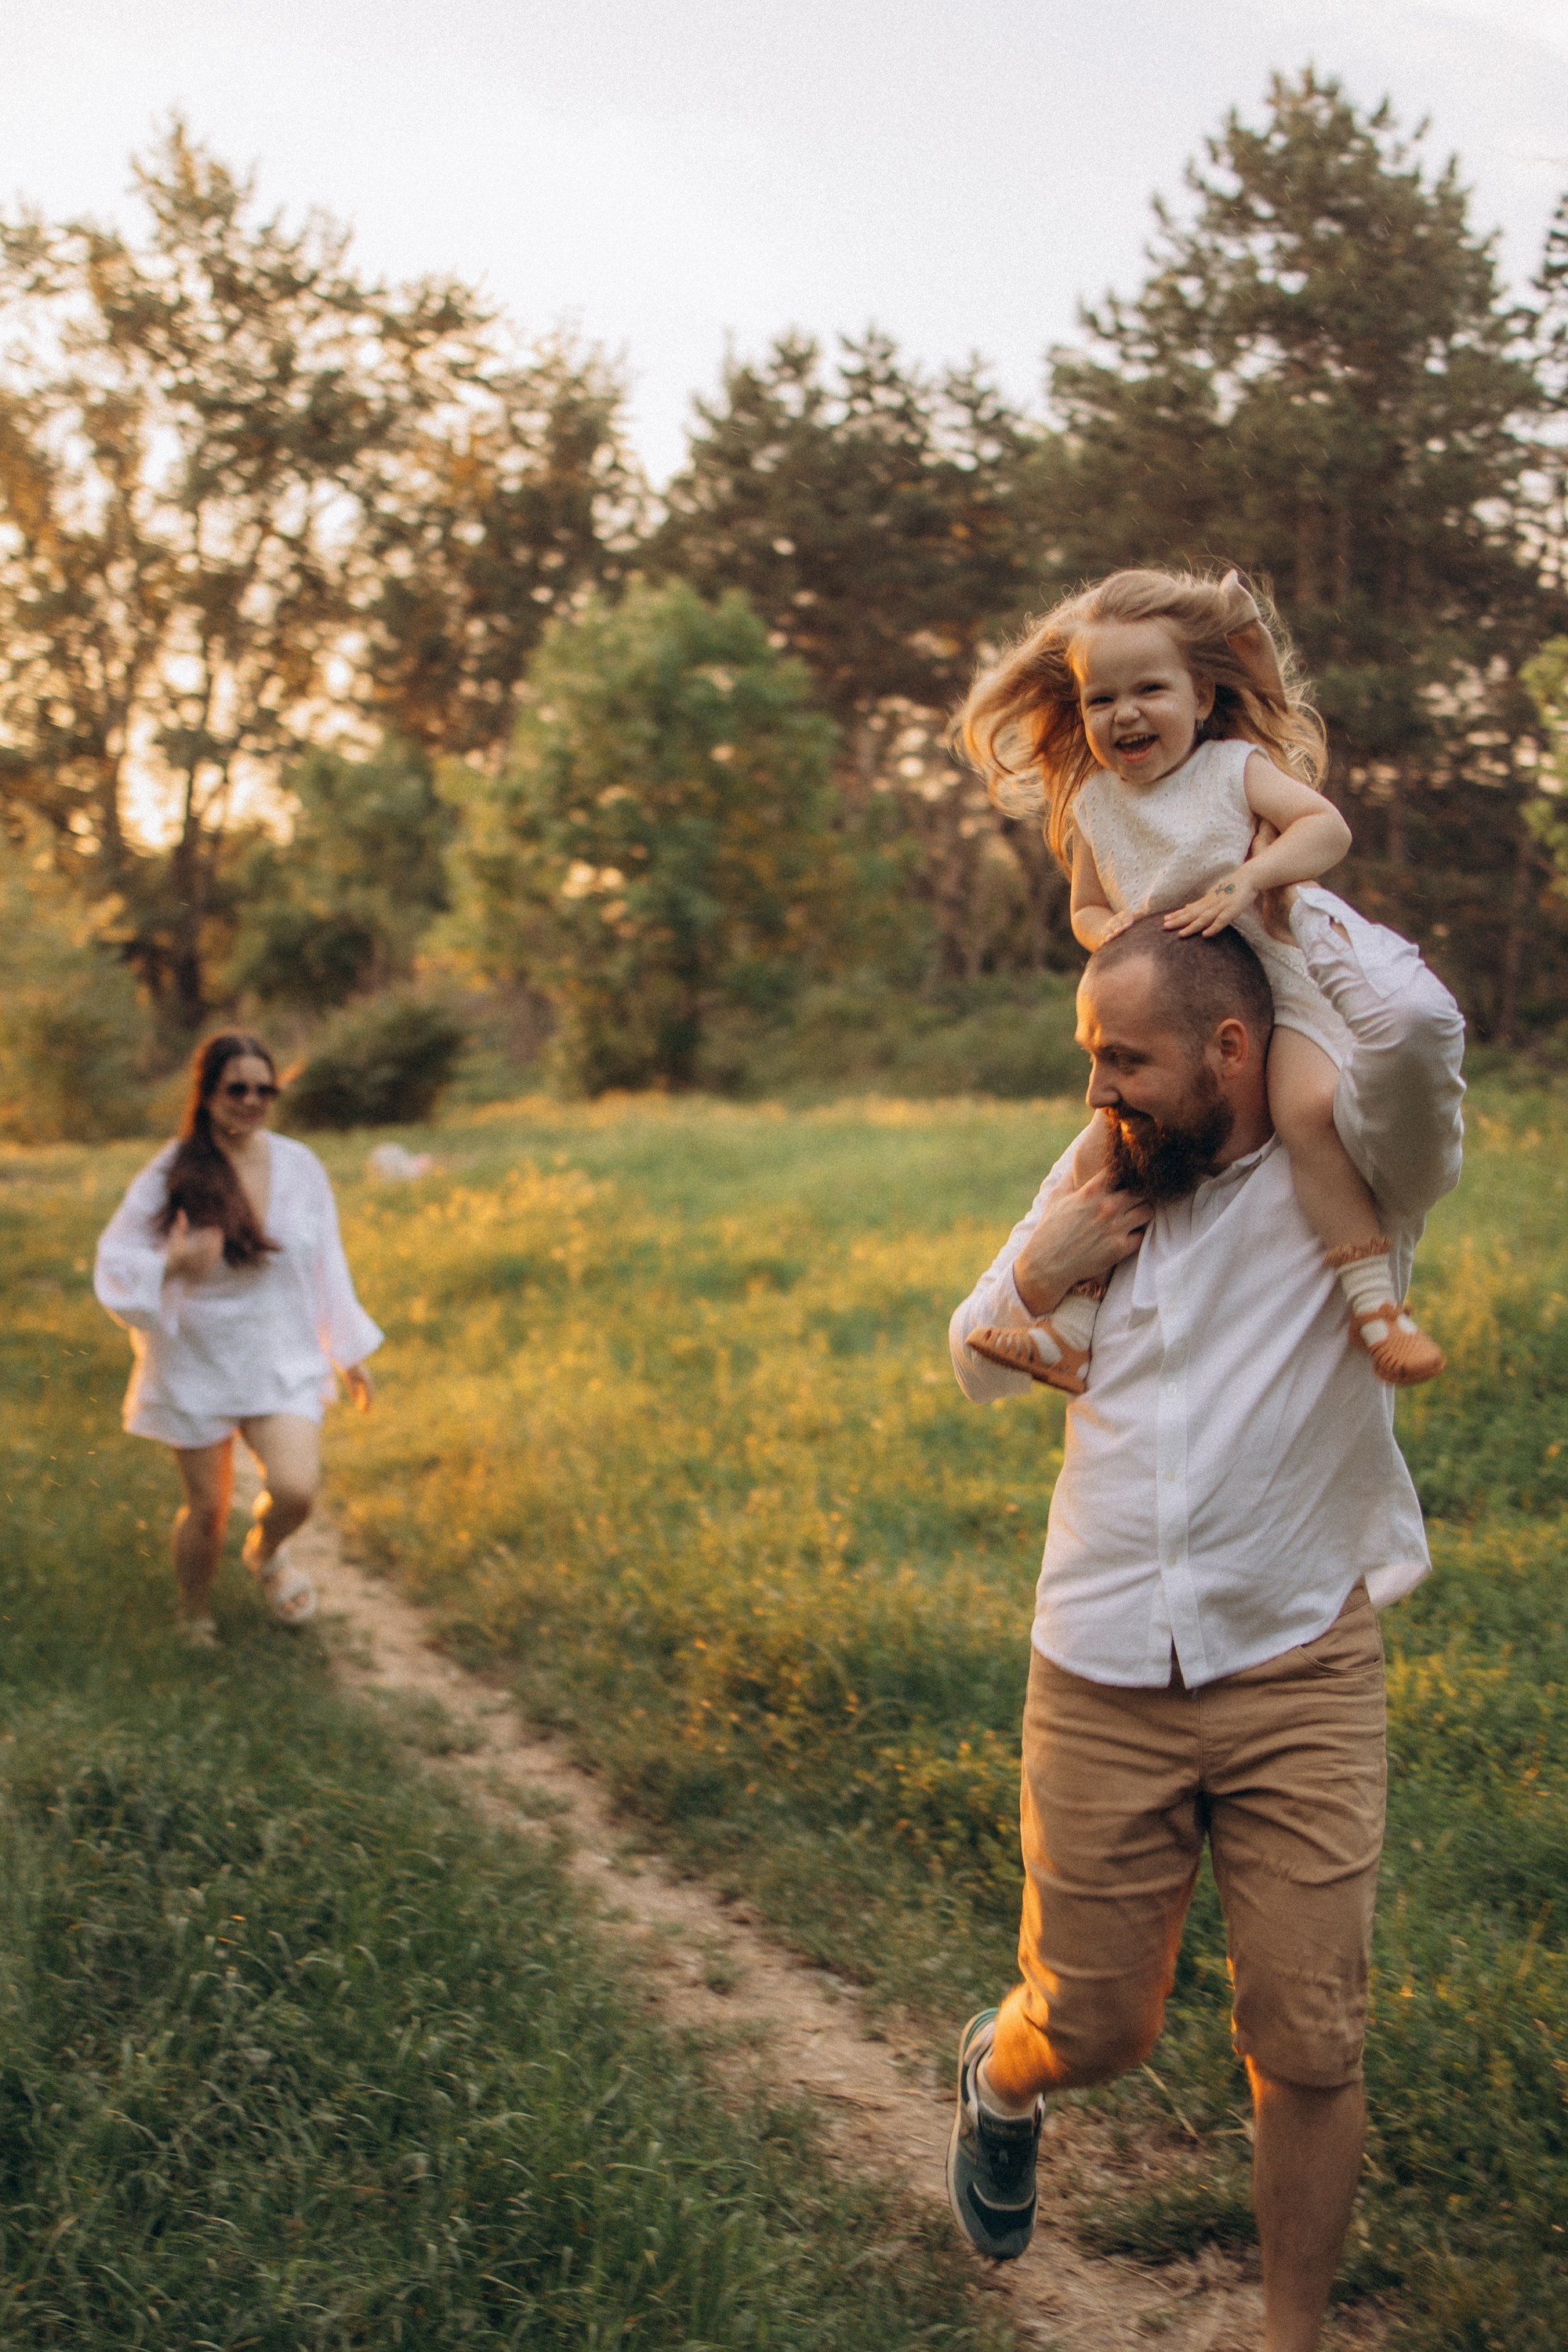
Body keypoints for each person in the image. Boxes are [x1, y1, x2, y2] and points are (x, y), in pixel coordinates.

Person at [945, 897, 1464, 2352]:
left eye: (1124, 1060)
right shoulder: (1102, 1169)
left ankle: (1288, 2333)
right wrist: (1043, 1265)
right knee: (1097, 2029)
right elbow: (980, 1359)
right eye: (1091, 1060)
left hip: (1301, 1658)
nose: (1097, 1090)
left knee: (1309, 2040)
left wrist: (1277, 884)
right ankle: (1004, 2073)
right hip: (1101, 1668)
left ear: (1234, 1047)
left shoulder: (1365, 1167)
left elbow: (1419, 1028)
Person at [955, 566, 1443, 1395]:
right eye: (1098, 699)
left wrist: (1252, 881)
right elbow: (1085, 907)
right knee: (1099, 1163)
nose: (1123, 714)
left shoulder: (1231, 770)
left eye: (1148, 688)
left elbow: (1325, 829)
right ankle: (1068, 1332)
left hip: (1276, 992)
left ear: (1202, 694)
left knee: (1304, 1112)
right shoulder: (1094, 808)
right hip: (1171, 1011)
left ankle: (1375, 1307)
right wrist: (1103, 931)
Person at [94, 1032, 383, 1645]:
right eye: (237, 1089)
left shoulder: (300, 1165)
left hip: (280, 1352)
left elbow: (327, 1261)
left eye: (264, 1090)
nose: (252, 1101)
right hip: (197, 1357)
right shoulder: (174, 1170)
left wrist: (349, 1353)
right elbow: (116, 1256)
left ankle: (266, 1552)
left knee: (296, 1489)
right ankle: (193, 1614)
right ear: (208, 1094)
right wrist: (170, 1265)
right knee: (207, 1509)